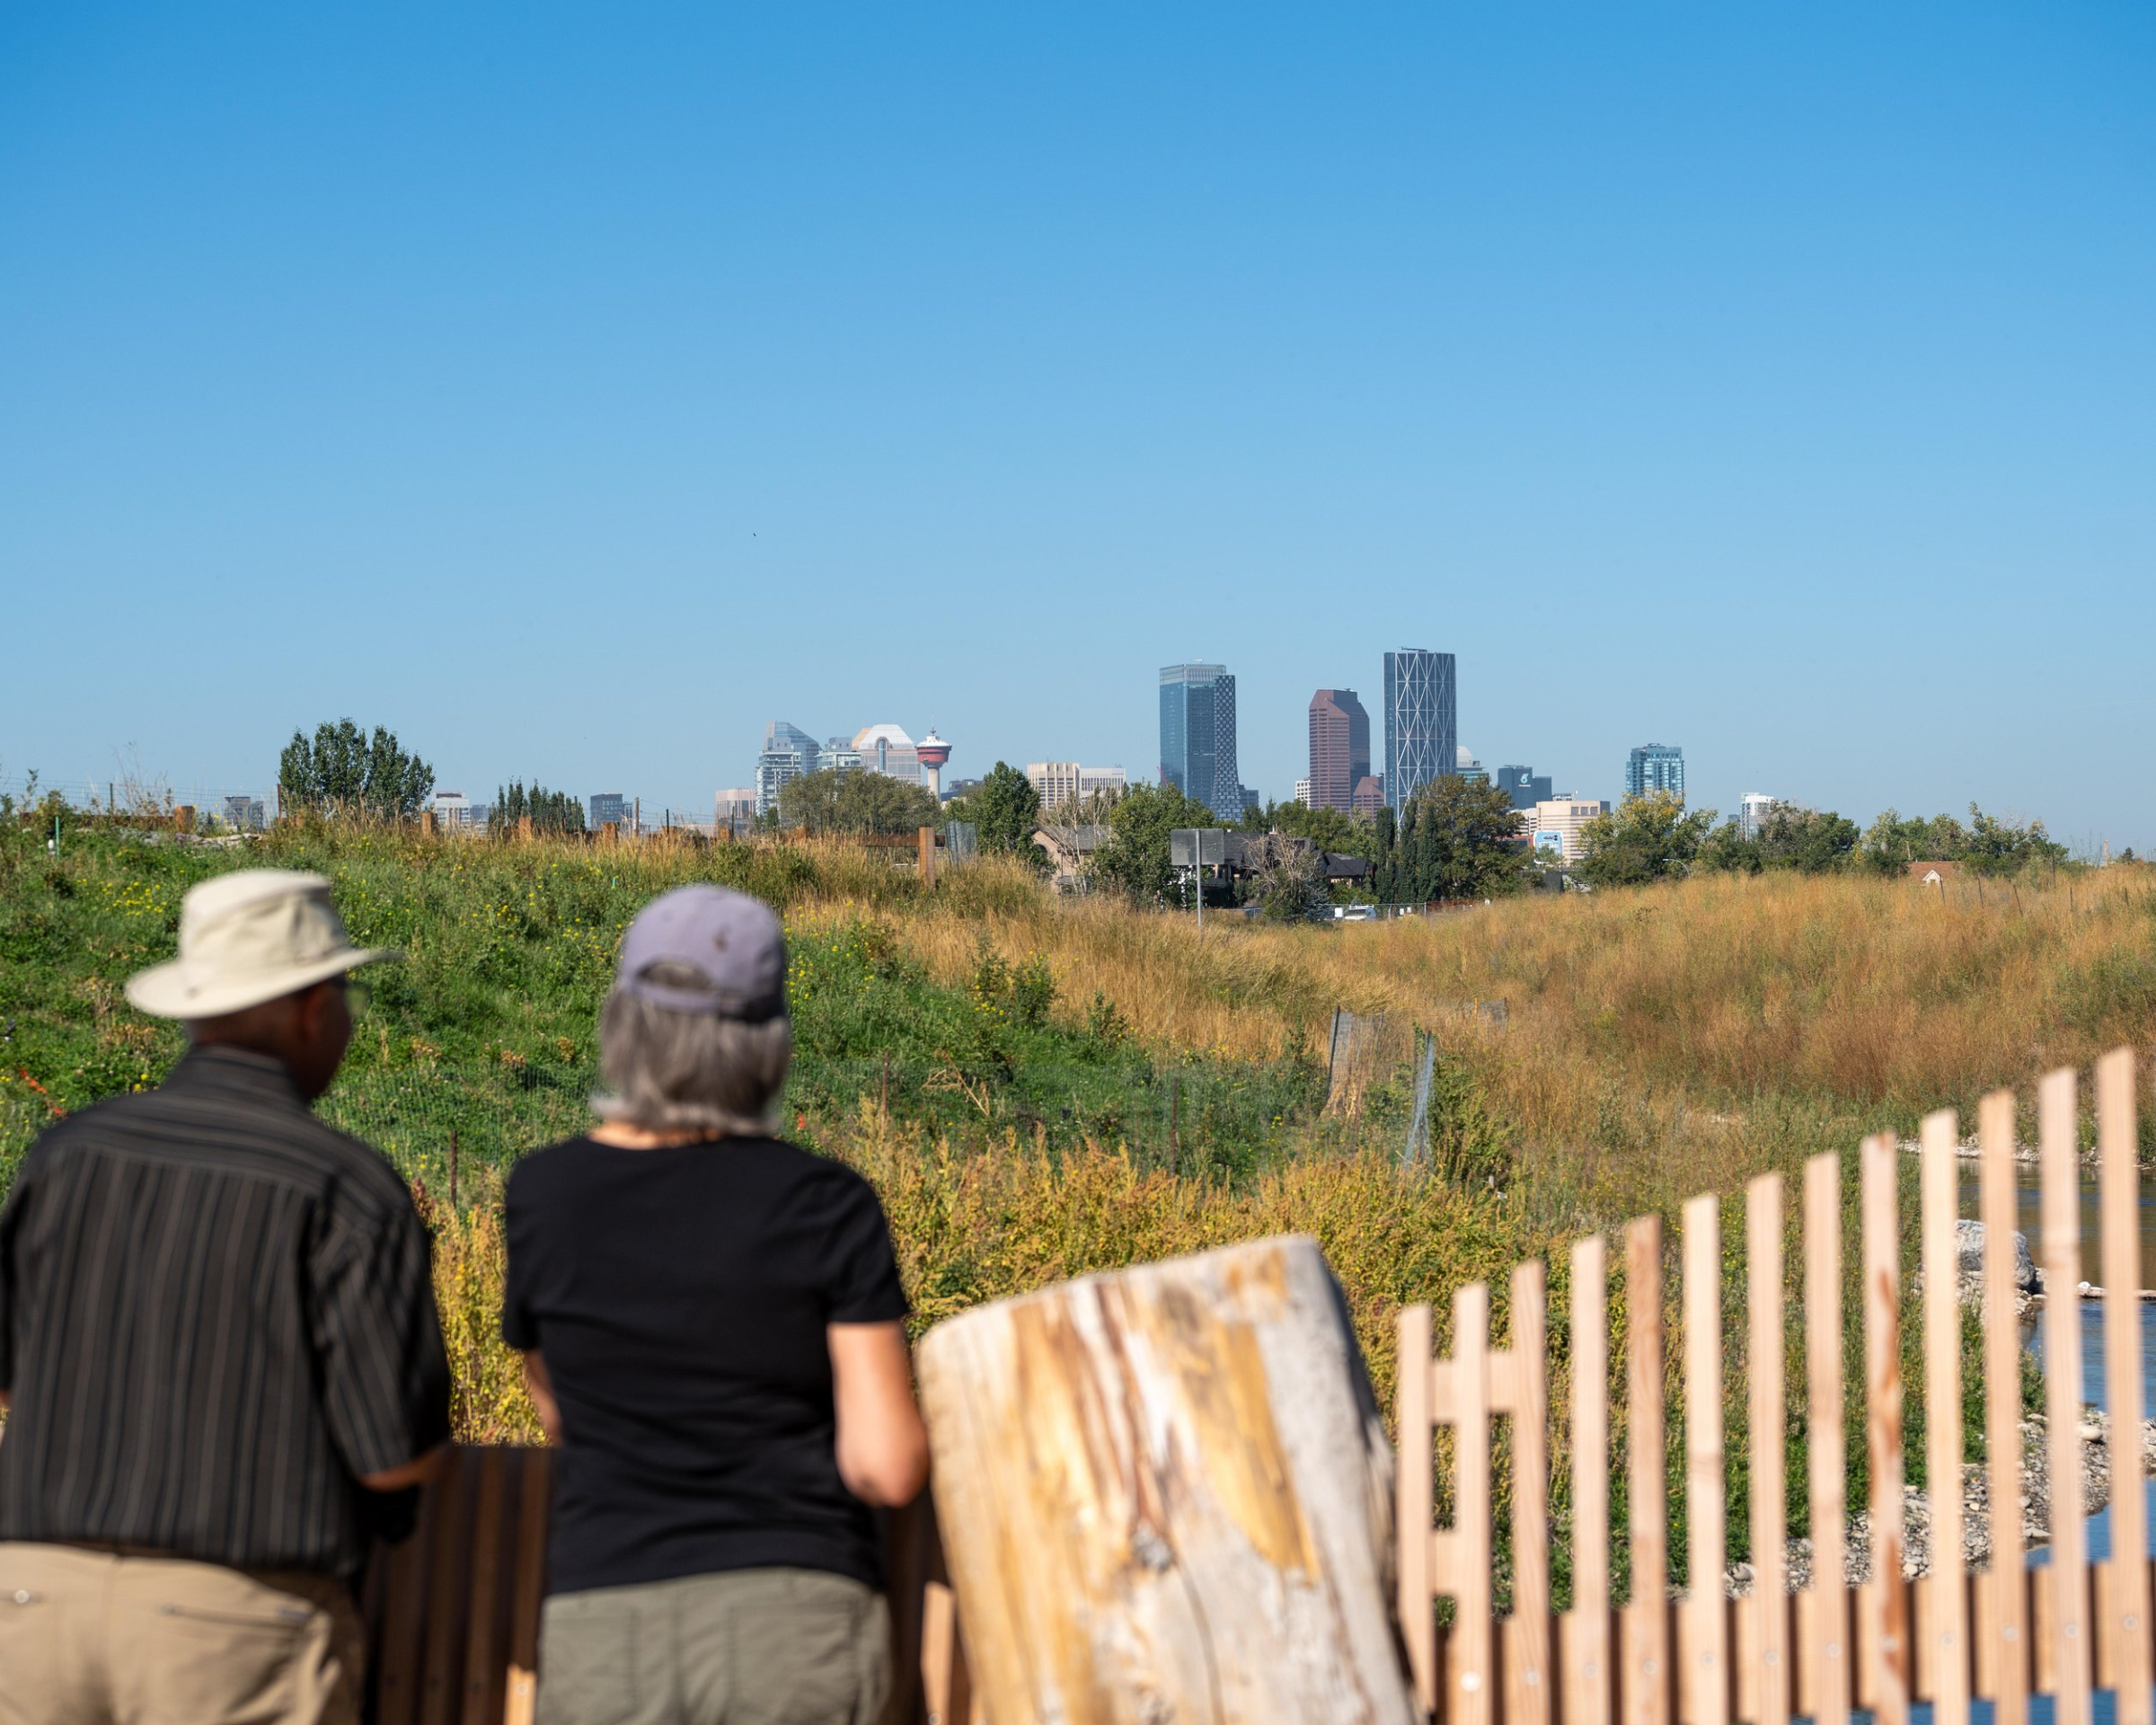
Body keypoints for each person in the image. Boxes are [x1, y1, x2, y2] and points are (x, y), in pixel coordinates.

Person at [0, 869, 453, 1725]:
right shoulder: (349, 1189)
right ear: (314, 1007)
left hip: (28, 1605)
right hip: (237, 1624)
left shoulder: (65, 1155)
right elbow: (393, 1454)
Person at [505, 884, 929, 1725]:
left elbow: (557, 1409)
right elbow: (885, 1466)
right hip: (796, 1624)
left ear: (624, 1024)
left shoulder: (544, 1193)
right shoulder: (828, 1202)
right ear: (768, 1042)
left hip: (604, 1630)